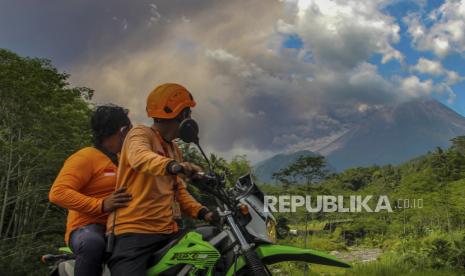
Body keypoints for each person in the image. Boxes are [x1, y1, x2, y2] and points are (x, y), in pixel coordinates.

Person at [107, 83, 215, 276]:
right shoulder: (140, 134)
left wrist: (204, 213)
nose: (190, 119)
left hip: (167, 231)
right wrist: (173, 166)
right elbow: (140, 157)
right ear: (181, 116)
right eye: (188, 113)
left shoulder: (174, 149)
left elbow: (178, 191)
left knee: (211, 256)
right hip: (134, 232)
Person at [49, 105, 133, 276]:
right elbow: (58, 192)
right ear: (122, 130)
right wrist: (101, 205)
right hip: (87, 228)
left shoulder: (125, 160)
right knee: (92, 244)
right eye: (129, 130)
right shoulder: (86, 157)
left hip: (123, 225)